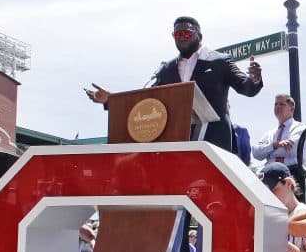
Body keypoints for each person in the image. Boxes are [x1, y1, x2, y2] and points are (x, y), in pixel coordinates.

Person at [86, 16, 263, 153]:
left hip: (213, 141)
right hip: (176, 142)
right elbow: (146, 101)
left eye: (186, 33)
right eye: (177, 35)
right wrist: (111, 100)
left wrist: (254, 80)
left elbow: (246, 87)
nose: (181, 38)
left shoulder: (219, 61)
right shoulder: (166, 69)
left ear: (199, 36)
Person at [253, 93, 306, 186]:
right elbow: (256, 153)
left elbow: (293, 149)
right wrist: (275, 145)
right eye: (276, 104)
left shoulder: (300, 127)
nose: (277, 107)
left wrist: (269, 151)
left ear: (292, 109)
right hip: (269, 174)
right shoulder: (270, 133)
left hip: (292, 173)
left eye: (282, 104)